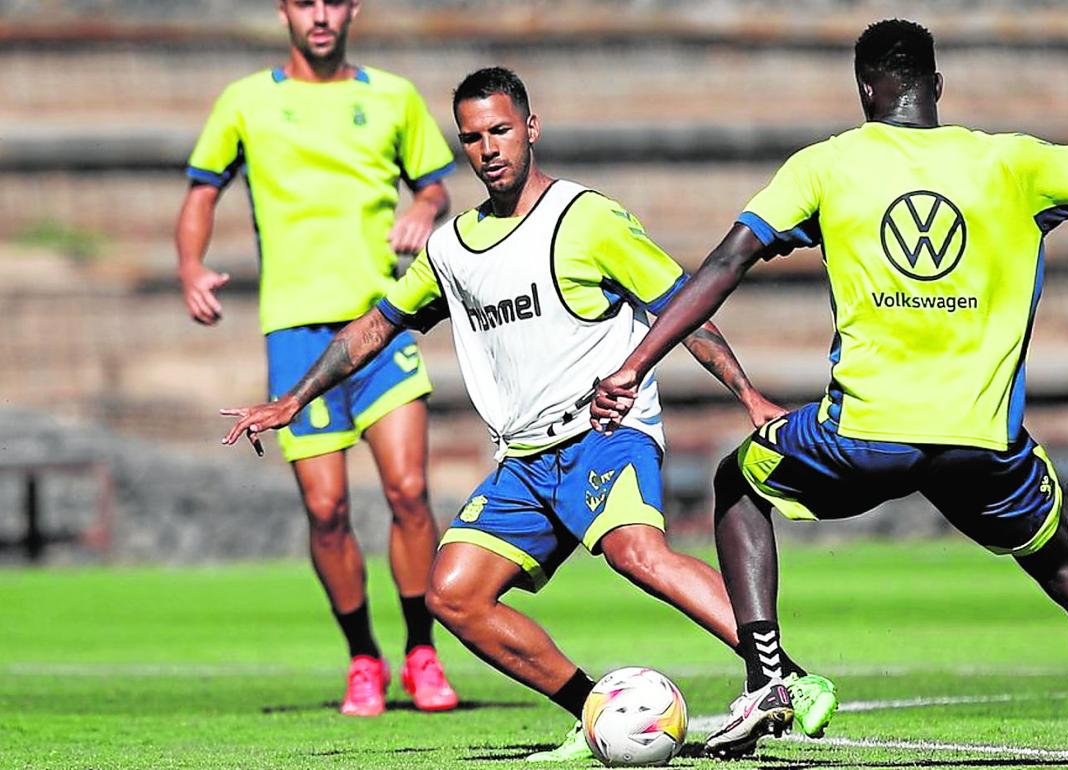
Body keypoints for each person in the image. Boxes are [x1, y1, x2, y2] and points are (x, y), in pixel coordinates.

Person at [592, 6, 1068, 767]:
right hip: (982, 444)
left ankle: (768, 678)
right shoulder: (1013, 163)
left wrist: (634, 365)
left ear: (866, 90)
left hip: (865, 438)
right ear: (936, 84)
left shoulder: (826, 165)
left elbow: (723, 266)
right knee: (1064, 567)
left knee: (739, 480)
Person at [221, 67, 838, 761]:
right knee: (451, 595)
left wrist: (746, 393)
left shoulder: (588, 218)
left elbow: (685, 307)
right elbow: (374, 325)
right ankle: (593, 710)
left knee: (635, 552)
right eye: (473, 137)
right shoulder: (450, 249)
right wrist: (294, 400)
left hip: (605, 434)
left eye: (502, 131)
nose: (488, 148)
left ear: (531, 128)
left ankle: (784, 675)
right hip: (523, 461)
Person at [176, 0, 458, 716]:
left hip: (378, 324)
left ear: (353, 9)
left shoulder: (392, 95)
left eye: (334, 0)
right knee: (327, 509)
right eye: (306, 2)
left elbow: (434, 184)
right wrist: (189, 266)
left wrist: (426, 208)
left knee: (408, 490)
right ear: (285, 12)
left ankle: (421, 650)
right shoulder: (245, 101)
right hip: (295, 335)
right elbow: (202, 189)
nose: (321, 14)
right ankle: (364, 657)